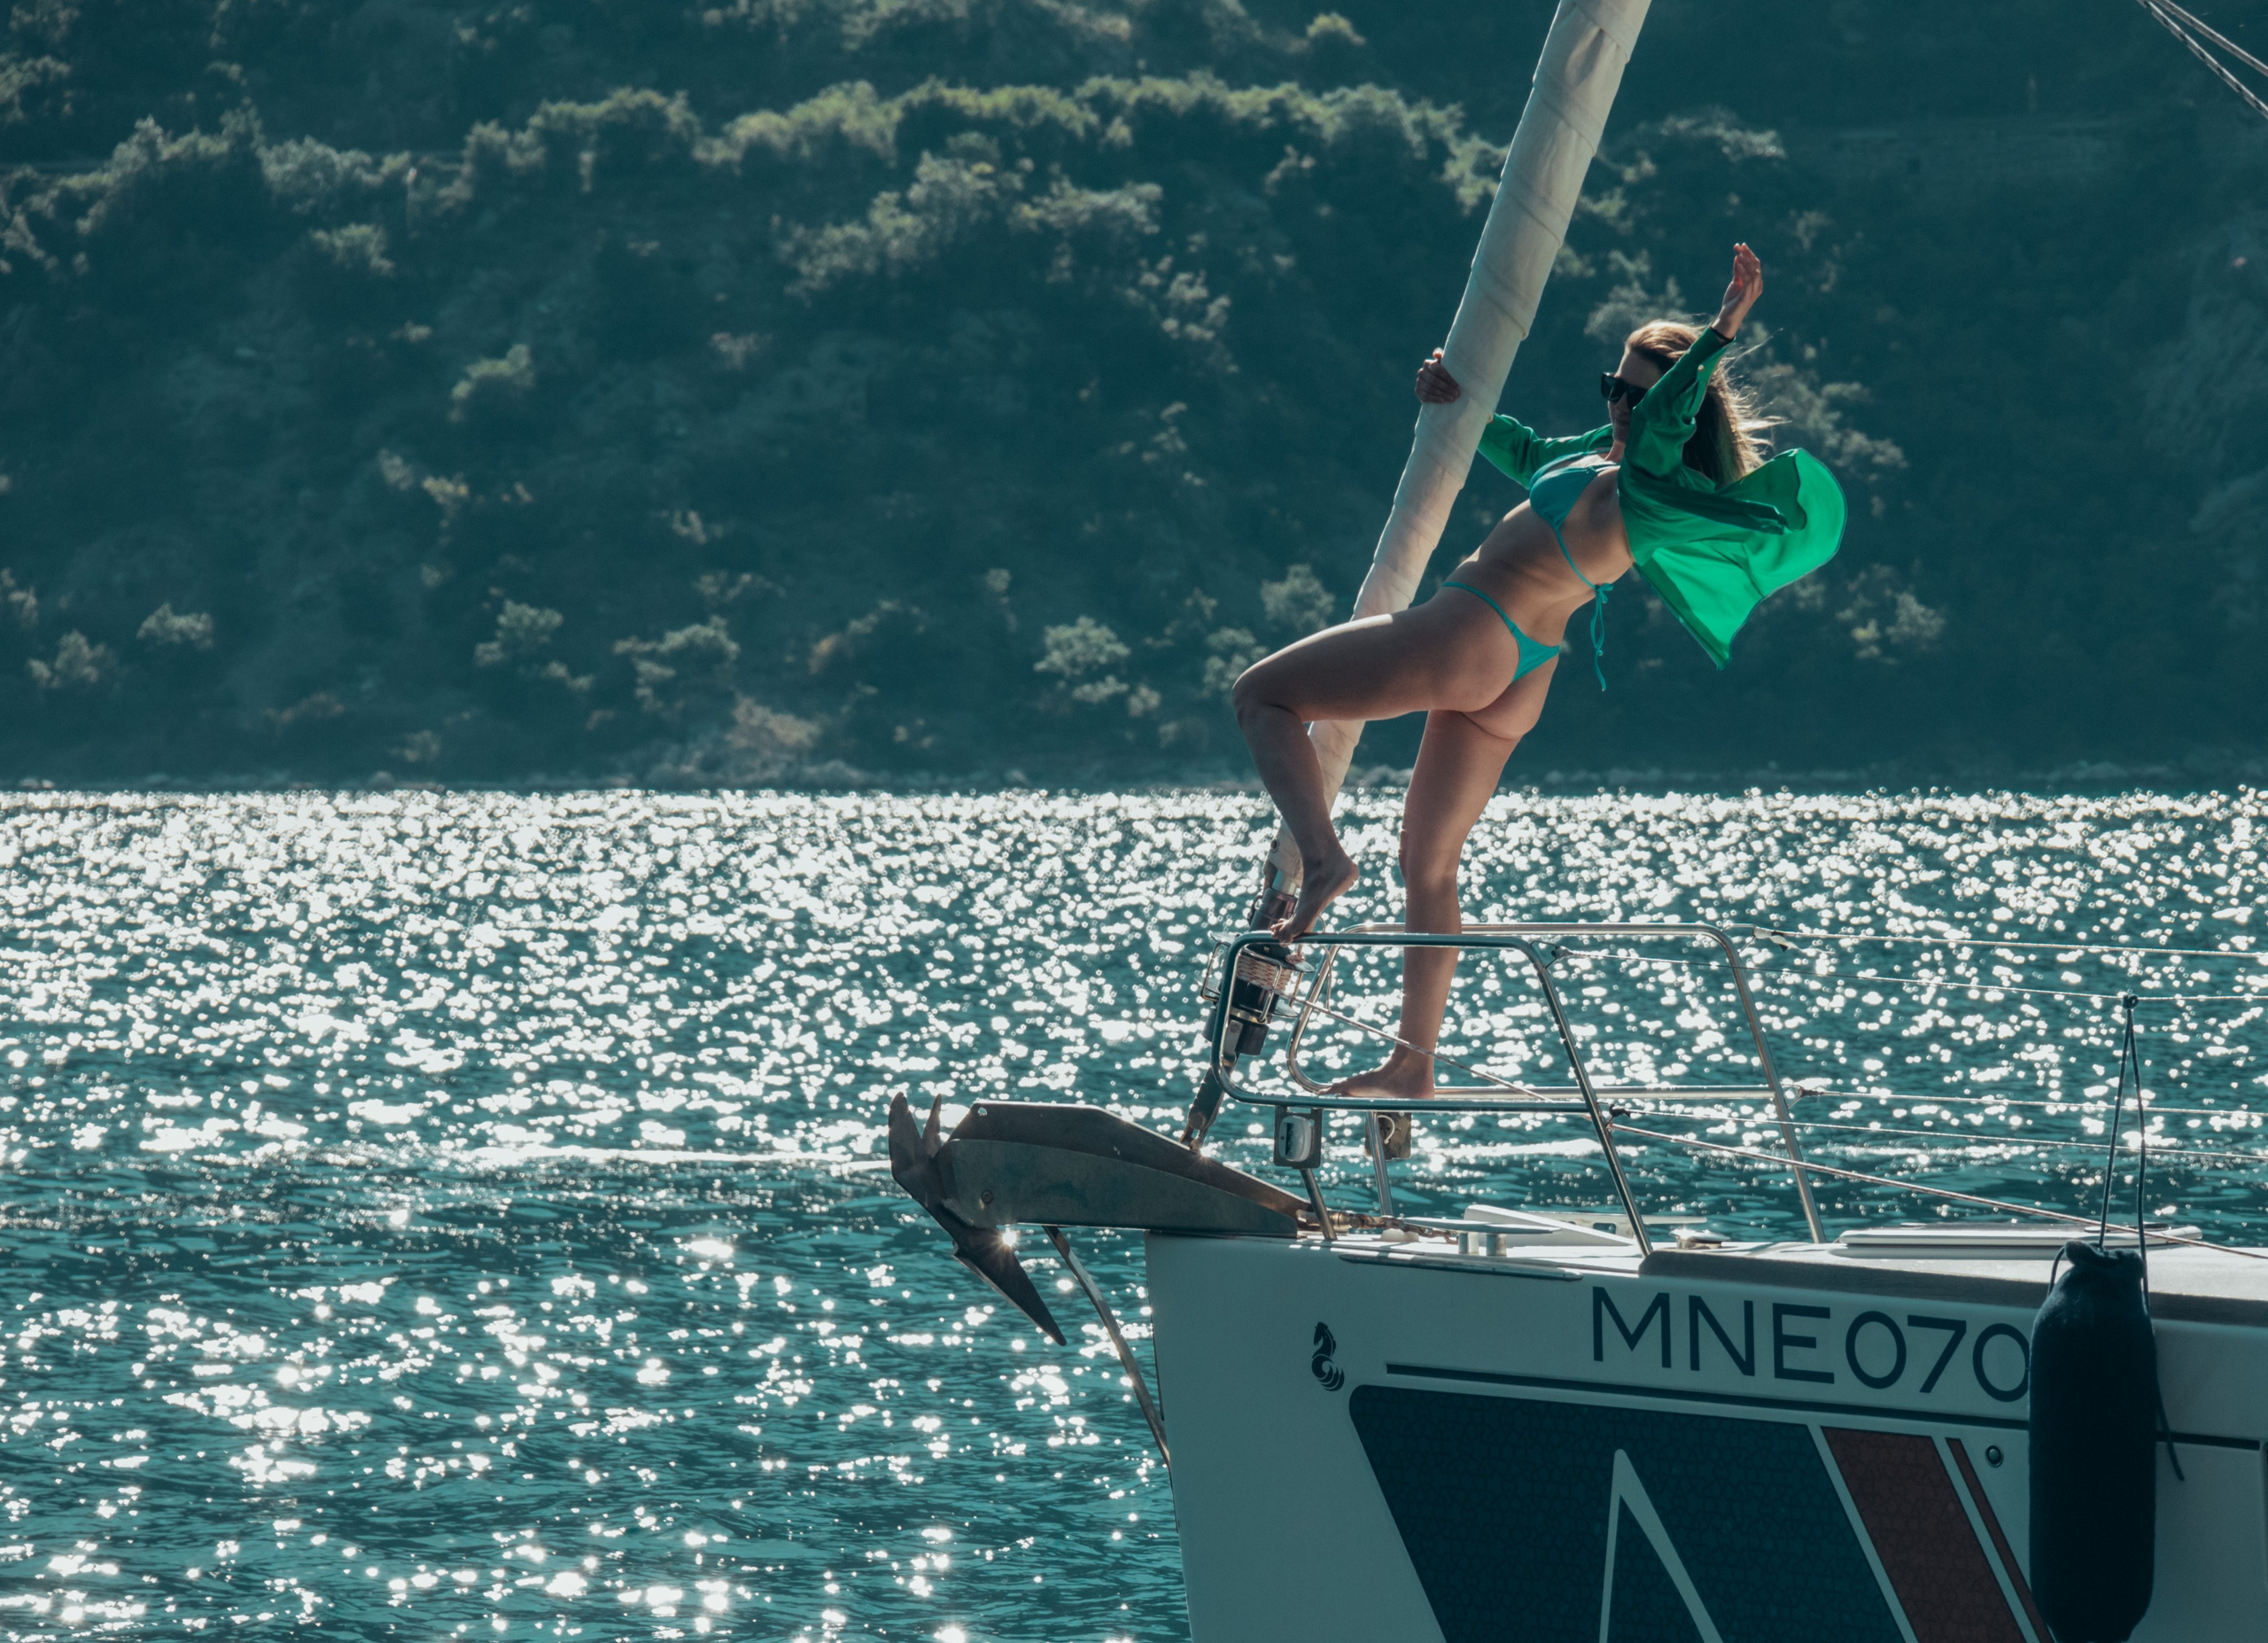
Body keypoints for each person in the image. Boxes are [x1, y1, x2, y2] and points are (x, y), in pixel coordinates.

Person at [1229, 243, 1845, 1151]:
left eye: (1634, 394)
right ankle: (1414, 1062)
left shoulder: (1648, 480)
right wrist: (1455, 401)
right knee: (1429, 872)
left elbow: (1672, 415)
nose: (1617, 402)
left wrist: (1719, 332)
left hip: (1470, 632)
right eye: (1612, 382)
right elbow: (1519, 448)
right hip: (1521, 675)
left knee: (1261, 696)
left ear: (1670, 406)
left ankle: (1321, 860)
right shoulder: (1602, 454)